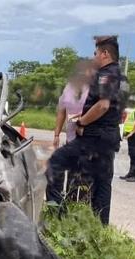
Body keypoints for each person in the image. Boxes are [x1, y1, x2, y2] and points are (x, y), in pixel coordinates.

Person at [46, 36, 128, 225]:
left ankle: (58, 214)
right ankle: (100, 228)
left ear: (105, 54)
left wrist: (82, 122)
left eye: (96, 53)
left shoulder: (106, 74)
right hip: (108, 137)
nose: (94, 57)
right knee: (102, 183)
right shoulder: (120, 76)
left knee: (55, 163)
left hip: (94, 138)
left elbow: (103, 105)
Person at [54, 60, 94, 149]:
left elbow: (97, 110)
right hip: (71, 139)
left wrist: (79, 119)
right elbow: (61, 112)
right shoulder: (68, 88)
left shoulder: (93, 89)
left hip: (88, 139)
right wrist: (56, 135)